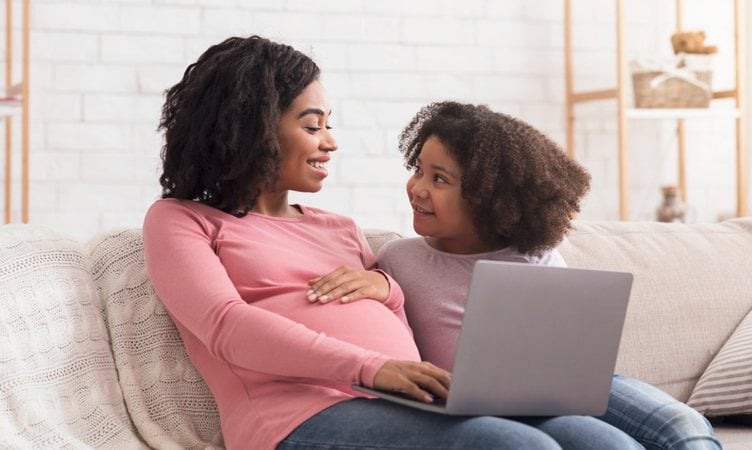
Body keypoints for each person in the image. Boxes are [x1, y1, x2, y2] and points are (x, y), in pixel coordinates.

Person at [142, 36, 643, 450]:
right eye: (312, 125)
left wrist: (386, 288)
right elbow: (227, 326)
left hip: (405, 401)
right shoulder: (182, 220)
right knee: (516, 446)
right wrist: (371, 369)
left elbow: (396, 316)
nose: (330, 141)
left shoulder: (337, 227)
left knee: (605, 443)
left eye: (328, 125)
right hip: (297, 418)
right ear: (251, 128)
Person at [361, 100, 720, 449]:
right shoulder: (399, 259)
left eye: (440, 179)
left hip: (568, 386)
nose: (417, 188)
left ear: (488, 197)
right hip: (486, 408)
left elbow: (570, 348)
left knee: (686, 426)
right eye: (418, 169)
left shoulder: (535, 255)